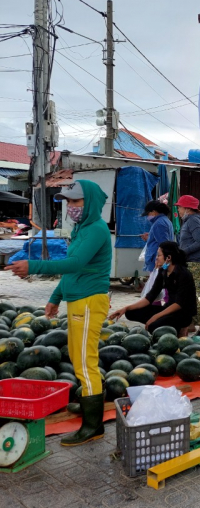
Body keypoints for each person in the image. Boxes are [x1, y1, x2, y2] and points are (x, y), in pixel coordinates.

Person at [10, 180, 112, 447]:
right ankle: (92, 410)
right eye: (68, 202)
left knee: (84, 362)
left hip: (90, 301)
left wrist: (33, 265)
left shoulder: (96, 230)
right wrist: (55, 298)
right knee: (81, 359)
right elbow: (75, 269)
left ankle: (93, 426)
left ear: (88, 202)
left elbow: (75, 263)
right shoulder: (81, 229)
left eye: (76, 201)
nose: (71, 206)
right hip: (80, 300)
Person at [110, 241, 196, 334]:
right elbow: (150, 297)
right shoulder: (163, 271)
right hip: (168, 309)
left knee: (153, 326)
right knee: (131, 312)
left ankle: (181, 329)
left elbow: (179, 304)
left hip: (182, 314)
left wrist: (156, 317)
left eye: (158, 255)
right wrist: (126, 308)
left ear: (168, 257)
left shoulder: (183, 274)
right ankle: (167, 326)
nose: (156, 258)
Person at [175, 195, 200, 330]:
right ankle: (191, 324)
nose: (179, 210)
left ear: (188, 208)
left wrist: (182, 252)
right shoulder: (188, 221)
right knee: (188, 293)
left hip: (194, 262)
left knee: (190, 294)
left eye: (180, 207)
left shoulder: (193, 221)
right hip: (189, 261)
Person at [141, 200, 174, 274]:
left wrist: (159, 262)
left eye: (148, 214)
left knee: (156, 282)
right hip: (160, 261)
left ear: (154, 212)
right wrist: (149, 238)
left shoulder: (158, 223)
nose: (147, 216)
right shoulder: (166, 220)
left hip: (156, 262)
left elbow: (164, 245)